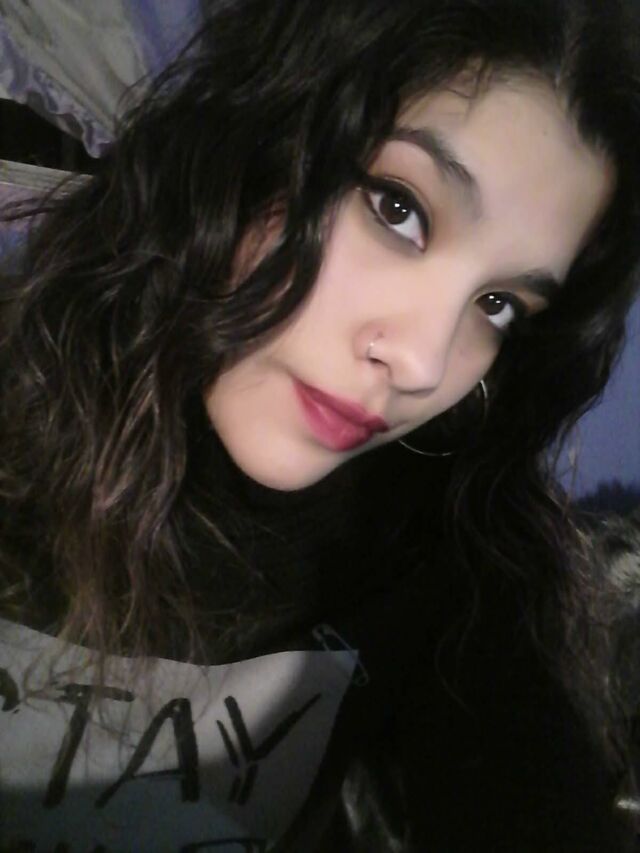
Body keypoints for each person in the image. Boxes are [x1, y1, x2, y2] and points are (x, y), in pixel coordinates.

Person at [0, 0, 639, 850]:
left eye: (498, 304)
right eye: (399, 208)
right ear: (257, 131)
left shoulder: (449, 562)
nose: (423, 363)